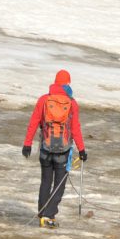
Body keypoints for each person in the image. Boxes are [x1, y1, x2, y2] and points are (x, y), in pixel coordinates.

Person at [22, 70, 86, 228]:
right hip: (63, 151)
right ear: (68, 84)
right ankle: (49, 215)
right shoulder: (72, 103)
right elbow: (75, 128)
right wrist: (82, 149)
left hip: (45, 149)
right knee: (60, 183)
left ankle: (42, 214)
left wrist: (27, 143)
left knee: (45, 182)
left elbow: (34, 122)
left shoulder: (44, 100)